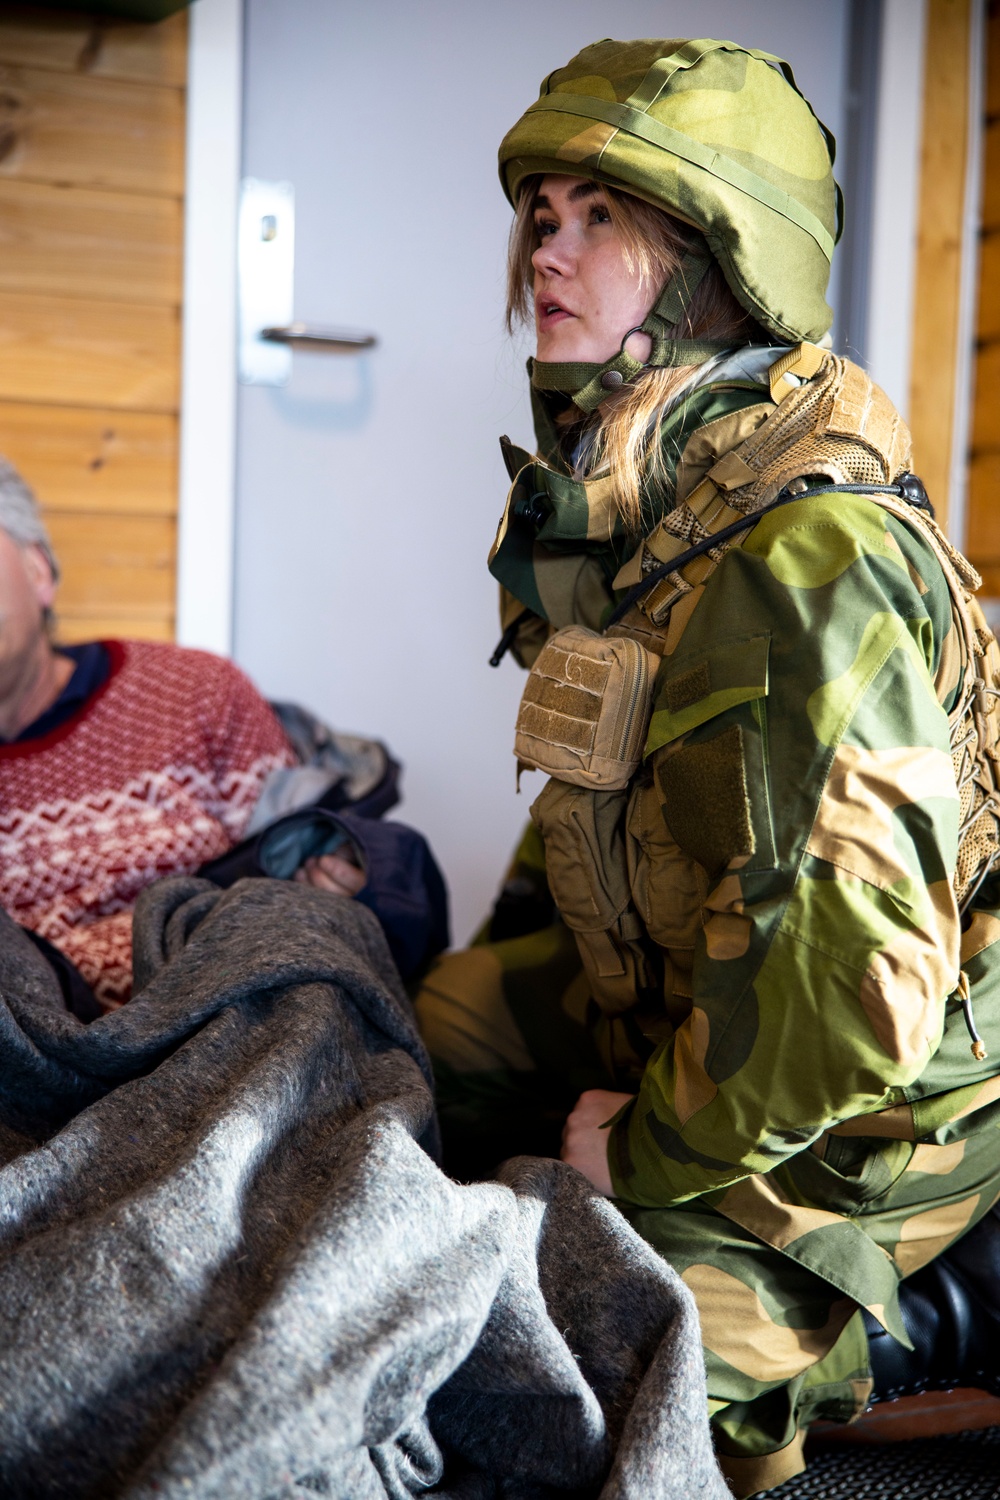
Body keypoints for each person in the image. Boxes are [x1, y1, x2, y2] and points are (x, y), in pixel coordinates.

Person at [415, 37, 1000, 1496]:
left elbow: (844, 997)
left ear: (718, 260)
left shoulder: (810, 559)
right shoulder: (627, 517)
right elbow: (582, 825)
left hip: (888, 1093)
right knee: (419, 1035)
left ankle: (915, 1315)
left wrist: (650, 1153)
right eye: (540, 215)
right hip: (695, 984)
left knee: (589, 1351)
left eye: (600, 214)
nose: (548, 247)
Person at [0, 460, 447, 1011]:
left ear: (38, 571)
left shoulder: (194, 692)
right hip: (45, 1066)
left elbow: (290, 863)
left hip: (235, 1023)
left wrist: (335, 876)